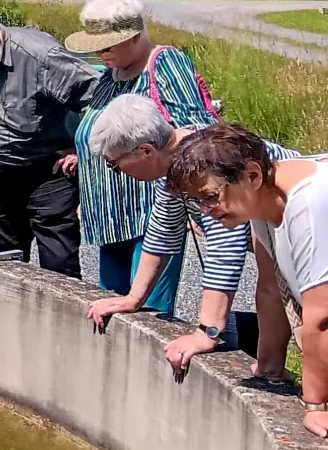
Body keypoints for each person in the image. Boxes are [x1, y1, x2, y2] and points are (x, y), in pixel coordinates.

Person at [85, 95, 299, 376]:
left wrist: (207, 331)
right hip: (280, 243)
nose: (118, 173)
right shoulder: (180, 159)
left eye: (115, 164)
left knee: (309, 320)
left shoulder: (204, 164)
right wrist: (133, 298)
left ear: (146, 151)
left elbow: (225, 248)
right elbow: (163, 231)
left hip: (303, 230)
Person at [166, 124, 328, 438]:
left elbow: (321, 318)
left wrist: (316, 405)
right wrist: (268, 369)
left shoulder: (308, 201)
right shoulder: (263, 203)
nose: (206, 211)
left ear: (251, 175)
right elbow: (270, 290)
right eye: (198, 202)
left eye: (210, 197)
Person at [67, 0, 218, 317]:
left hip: (151, 215)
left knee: (148, 310)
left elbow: (198, 135)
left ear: (133, 37)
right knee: (111, 304)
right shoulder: (111, 75)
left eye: (105, 46)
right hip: (109, 216)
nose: (99, 54)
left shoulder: (164, 63)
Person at [0, 0, 97, 277]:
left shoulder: (40, 55)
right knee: (2, 269)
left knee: (60, 269)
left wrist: (81, 147)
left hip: (48, 176)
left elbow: (99, 96)